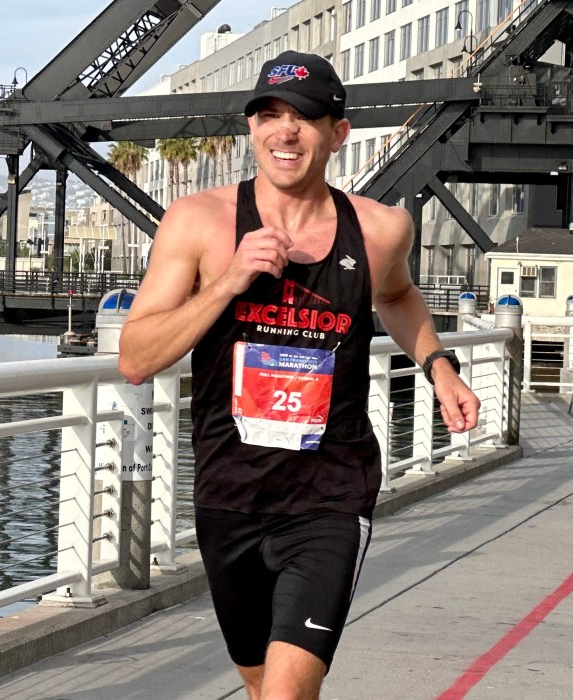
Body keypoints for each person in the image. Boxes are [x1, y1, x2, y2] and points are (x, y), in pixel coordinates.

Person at [119, 50, 480, 700]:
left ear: (337, 133)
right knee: (263, 687)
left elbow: (397, 296)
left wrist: (438, 366)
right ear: (252, 128)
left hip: (329, 497)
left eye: (305, 117)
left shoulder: (380, 229)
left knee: (285, 693)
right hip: (228, 494)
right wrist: (227, 281)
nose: (285, 131)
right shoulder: (199, 222)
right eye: (270, 115)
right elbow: (136, 358)